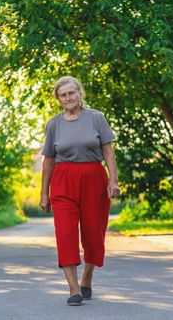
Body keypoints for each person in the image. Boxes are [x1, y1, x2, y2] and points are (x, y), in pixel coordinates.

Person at [39, 76, 120, 306]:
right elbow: (48, 161)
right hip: (63, 180)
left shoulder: (96, 118)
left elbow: (108, 152)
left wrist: (113, 180)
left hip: (94, 177)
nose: (68, 98)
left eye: (71, 93)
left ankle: (87, 277)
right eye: (63, 95)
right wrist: (44, 194)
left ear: (79, 93)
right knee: (65, 233)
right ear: (58, 99)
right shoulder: (53, 124)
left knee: (94, 233)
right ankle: (74, 289)